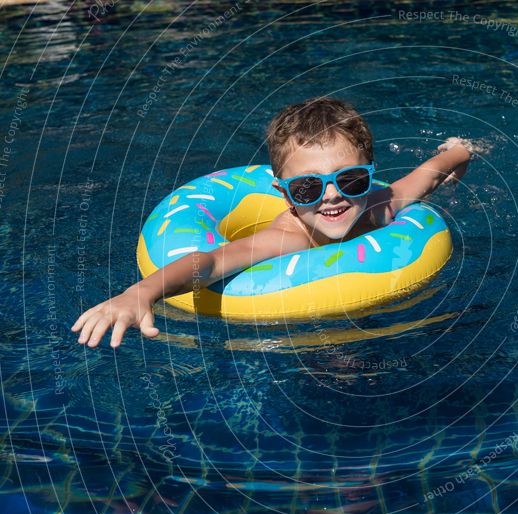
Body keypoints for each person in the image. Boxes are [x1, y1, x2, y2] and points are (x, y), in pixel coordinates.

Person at [71, 96, 476, 348]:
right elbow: (208, 263)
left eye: (350, 180)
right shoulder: (284, 239)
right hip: (306, 331)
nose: (332, 196)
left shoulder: (379, 206)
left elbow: (433, 171)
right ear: (283, 193)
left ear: (370, 175)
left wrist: (461, 152)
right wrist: (139, 293)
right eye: (306, 188)